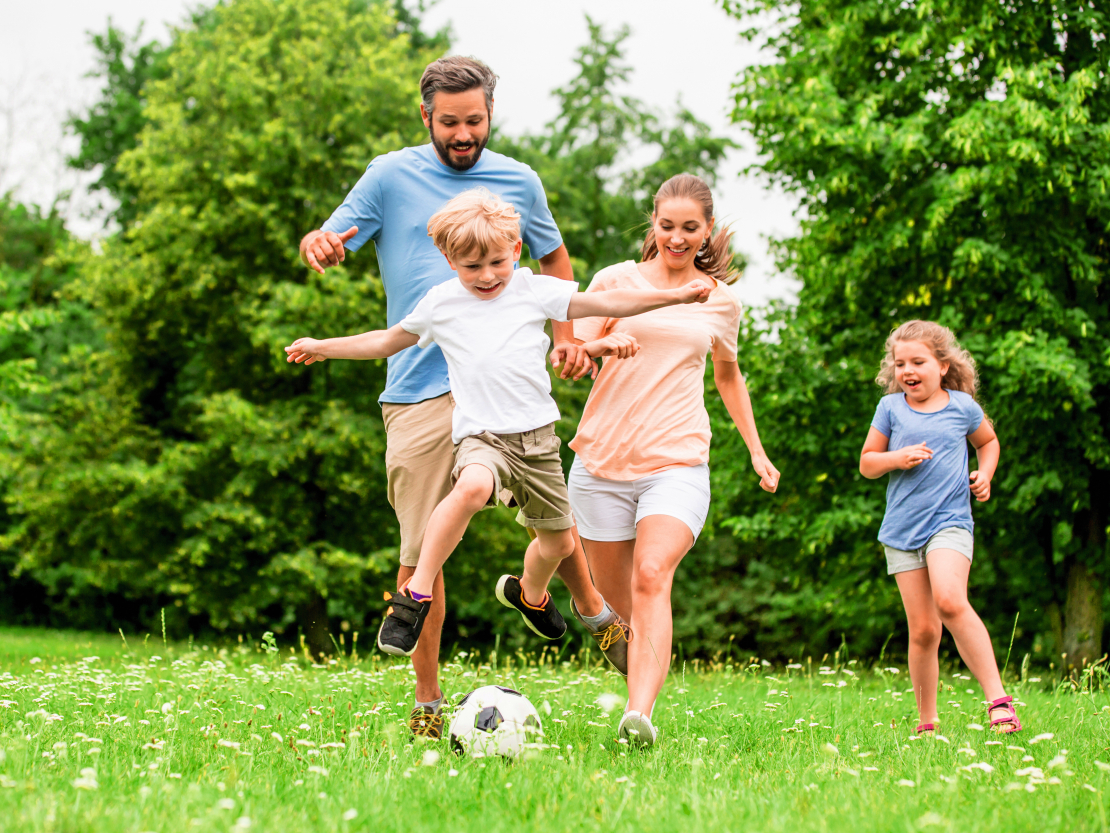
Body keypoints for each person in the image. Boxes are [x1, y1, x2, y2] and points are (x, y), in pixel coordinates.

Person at [296, 56, 627, 739]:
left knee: (553, 518)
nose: (463, 134)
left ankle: (591, 610)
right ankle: (427, 700)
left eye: (474, 121)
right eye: (450, 123)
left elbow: (554, 262)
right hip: (418, 388)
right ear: (427, 117)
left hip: (504, 381)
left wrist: (567, 337)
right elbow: (328, 237)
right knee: (421, 550)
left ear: (489, 114)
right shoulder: (389, 174)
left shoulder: (518, 180)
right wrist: (320, 244)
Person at [286, 189, 712, 656]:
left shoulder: (533, 289)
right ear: (448, 259)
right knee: (469, 487)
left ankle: (529, 595)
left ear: (514, 250)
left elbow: (610, 304)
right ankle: (415, 596)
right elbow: (387, 341)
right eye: (472, 267)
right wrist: (325, 345)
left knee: (557, 545)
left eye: (496, 262)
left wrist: (674, 296)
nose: (487, 276)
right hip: (481, 437)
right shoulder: (441, 303)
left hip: (538, 444)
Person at [567, 174, 780, 748]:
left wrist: (756, 451)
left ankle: (638, 715)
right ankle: (624, 649)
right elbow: (570, 352)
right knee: (620, 612)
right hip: (602, 462)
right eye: (667, 226)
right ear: (652, 225)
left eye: (690, 228)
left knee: (653, 574)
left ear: (707, 229)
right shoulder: (615, 281)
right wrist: (593, 348)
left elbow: (729, 379)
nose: (678, 238)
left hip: (677, 460)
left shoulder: (721, 300)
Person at [859, 320, 1021, 735]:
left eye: (918, 362)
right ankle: (927, 723)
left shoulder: (962, 407)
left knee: (950, 601)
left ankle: (999, 701)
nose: (907, 371)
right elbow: (868, 464)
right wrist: (897, 458)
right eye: (900, 364)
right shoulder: (890, 409)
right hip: (900, 531)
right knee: (925, 630)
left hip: (949, 523)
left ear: (943, 365)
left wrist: (985, 474)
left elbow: (988, 442)